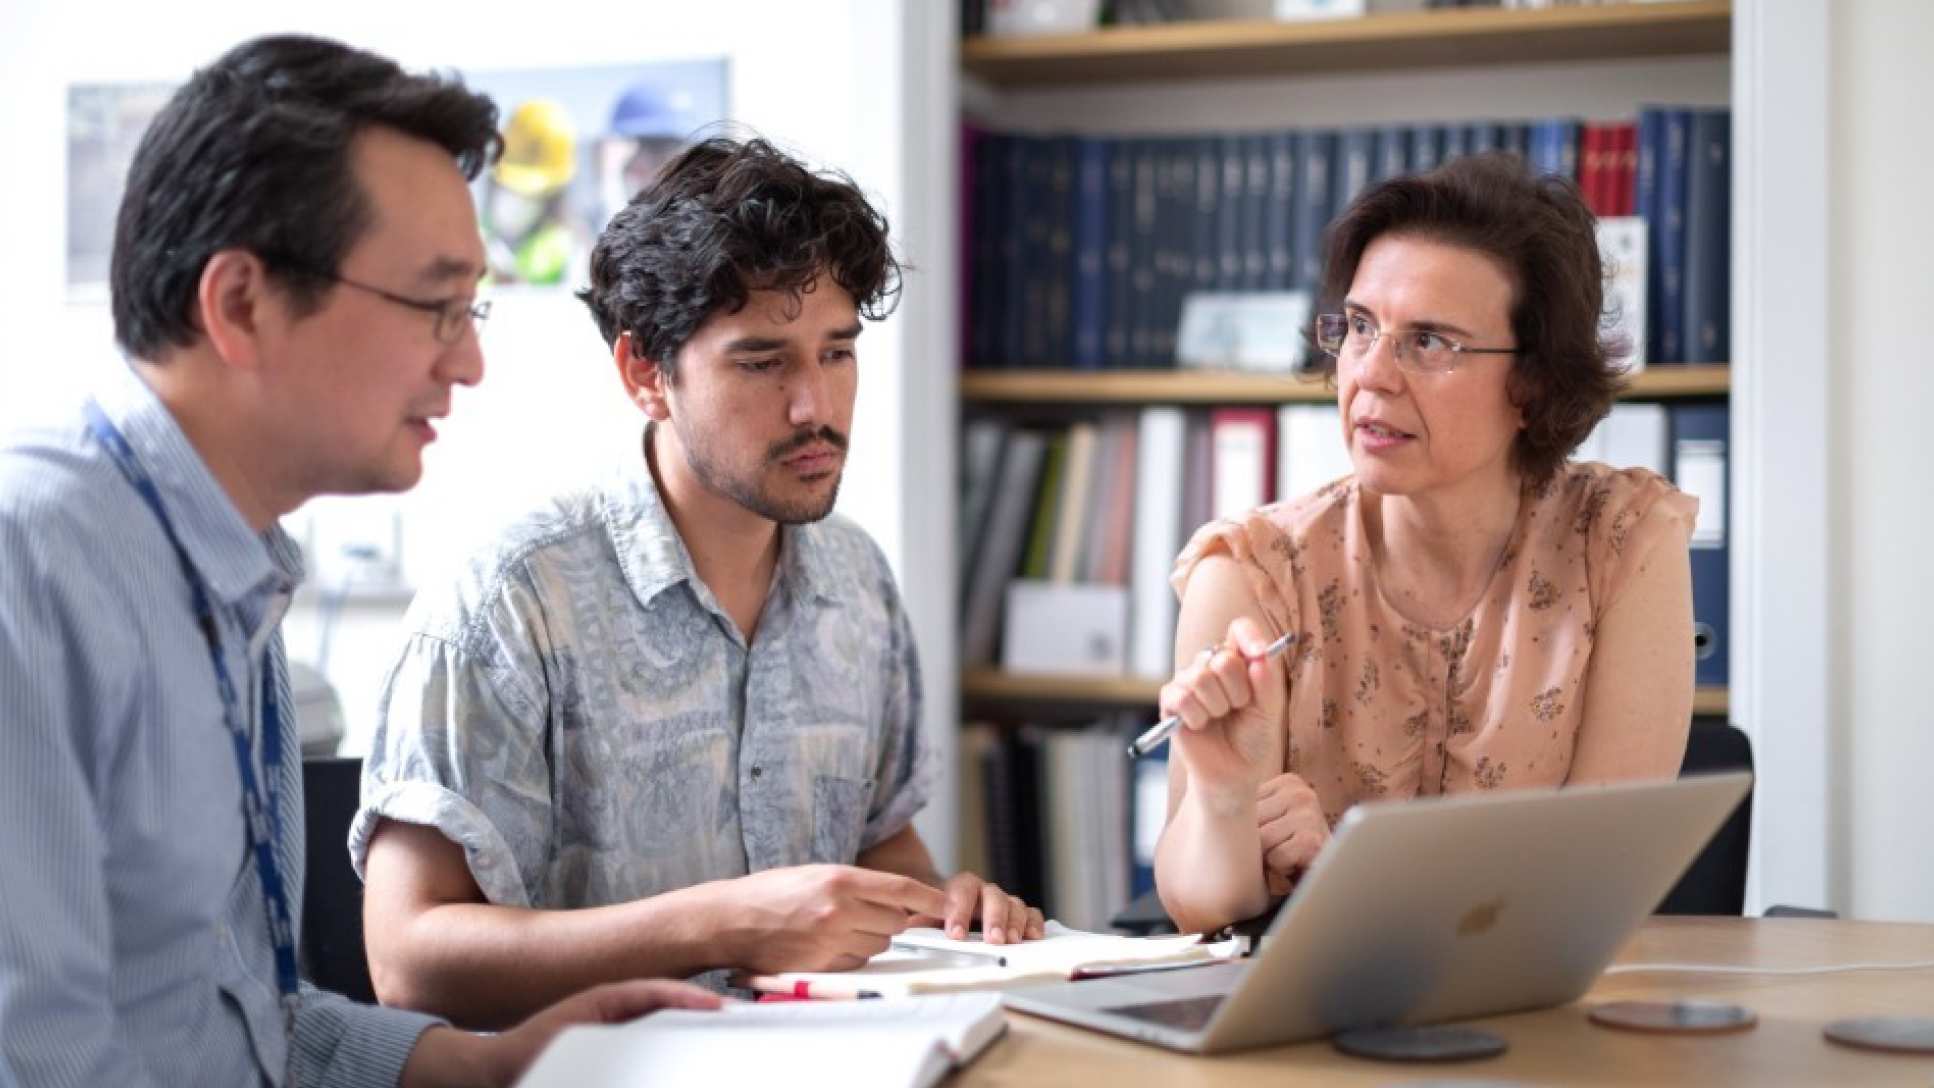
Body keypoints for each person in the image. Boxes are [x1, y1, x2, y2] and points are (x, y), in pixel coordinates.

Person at [0, 36, 724, 1088]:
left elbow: (249, 1021)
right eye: (435, 306)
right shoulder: (34, 565)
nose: (468, 359)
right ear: (241, 303)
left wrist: (489, 1063)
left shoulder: (231, 568)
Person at [355, 135, 1044, 1028]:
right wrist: (723, 923)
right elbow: (409, 960)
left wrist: (948, 907)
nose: (816, 408)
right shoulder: (513, 599)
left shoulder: (857, 579)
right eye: (763, 362)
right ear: (646, 372)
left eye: (837, 353)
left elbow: (879, 846)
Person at [1154, 154, 1698, 935]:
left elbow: (1595, 887)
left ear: (1534, 383)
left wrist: (1344, 872)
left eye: (1431, 342)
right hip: (1310, 1031)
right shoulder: (1251, 570)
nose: (1371, 374)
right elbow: (1196, 910)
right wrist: (1227, 802)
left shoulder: (1625, 543)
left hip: (1544, 1024)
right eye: (1361, 326)